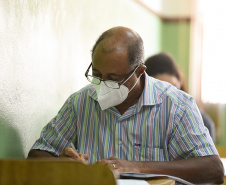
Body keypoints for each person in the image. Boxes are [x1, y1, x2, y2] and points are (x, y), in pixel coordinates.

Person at [27, 26, 224, 184]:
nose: (102, 84)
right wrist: (65, 166)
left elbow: (213, 169)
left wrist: (137, 167)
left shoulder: (177, 106)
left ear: (139, 72)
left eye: (114, 78)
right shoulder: (80, 102)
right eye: (96, 75)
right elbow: (37, 154)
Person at [145, 52, 216, 143]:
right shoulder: (138, 122)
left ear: (180, 81)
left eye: (173, 89)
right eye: (158, 91)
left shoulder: (203, 122)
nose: (168, 98)